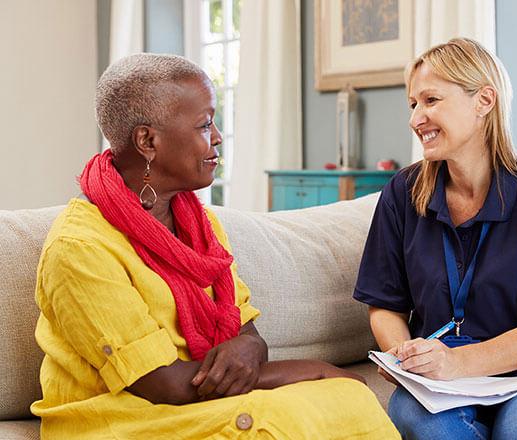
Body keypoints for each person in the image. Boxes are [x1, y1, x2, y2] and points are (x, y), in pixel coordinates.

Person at [31, 53, 400, 439]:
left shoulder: (198, 224)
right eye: (205, 124)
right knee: (279, 421)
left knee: (347, 399)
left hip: (196, 403)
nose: (219, 136)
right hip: (123, 419)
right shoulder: (79, 248)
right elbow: (165, 385)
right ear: (147, 140)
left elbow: (247, 332)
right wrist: (313, 368)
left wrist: (249, 349)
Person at [353, 38, 517, 440]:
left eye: (431, 100)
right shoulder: (402, 192)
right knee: (420, 419)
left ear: (484, 101)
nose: (416, 118)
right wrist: (403, 357)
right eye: (413, 104)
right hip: (441, 382)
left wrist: (457, 362)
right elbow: (384, 306)